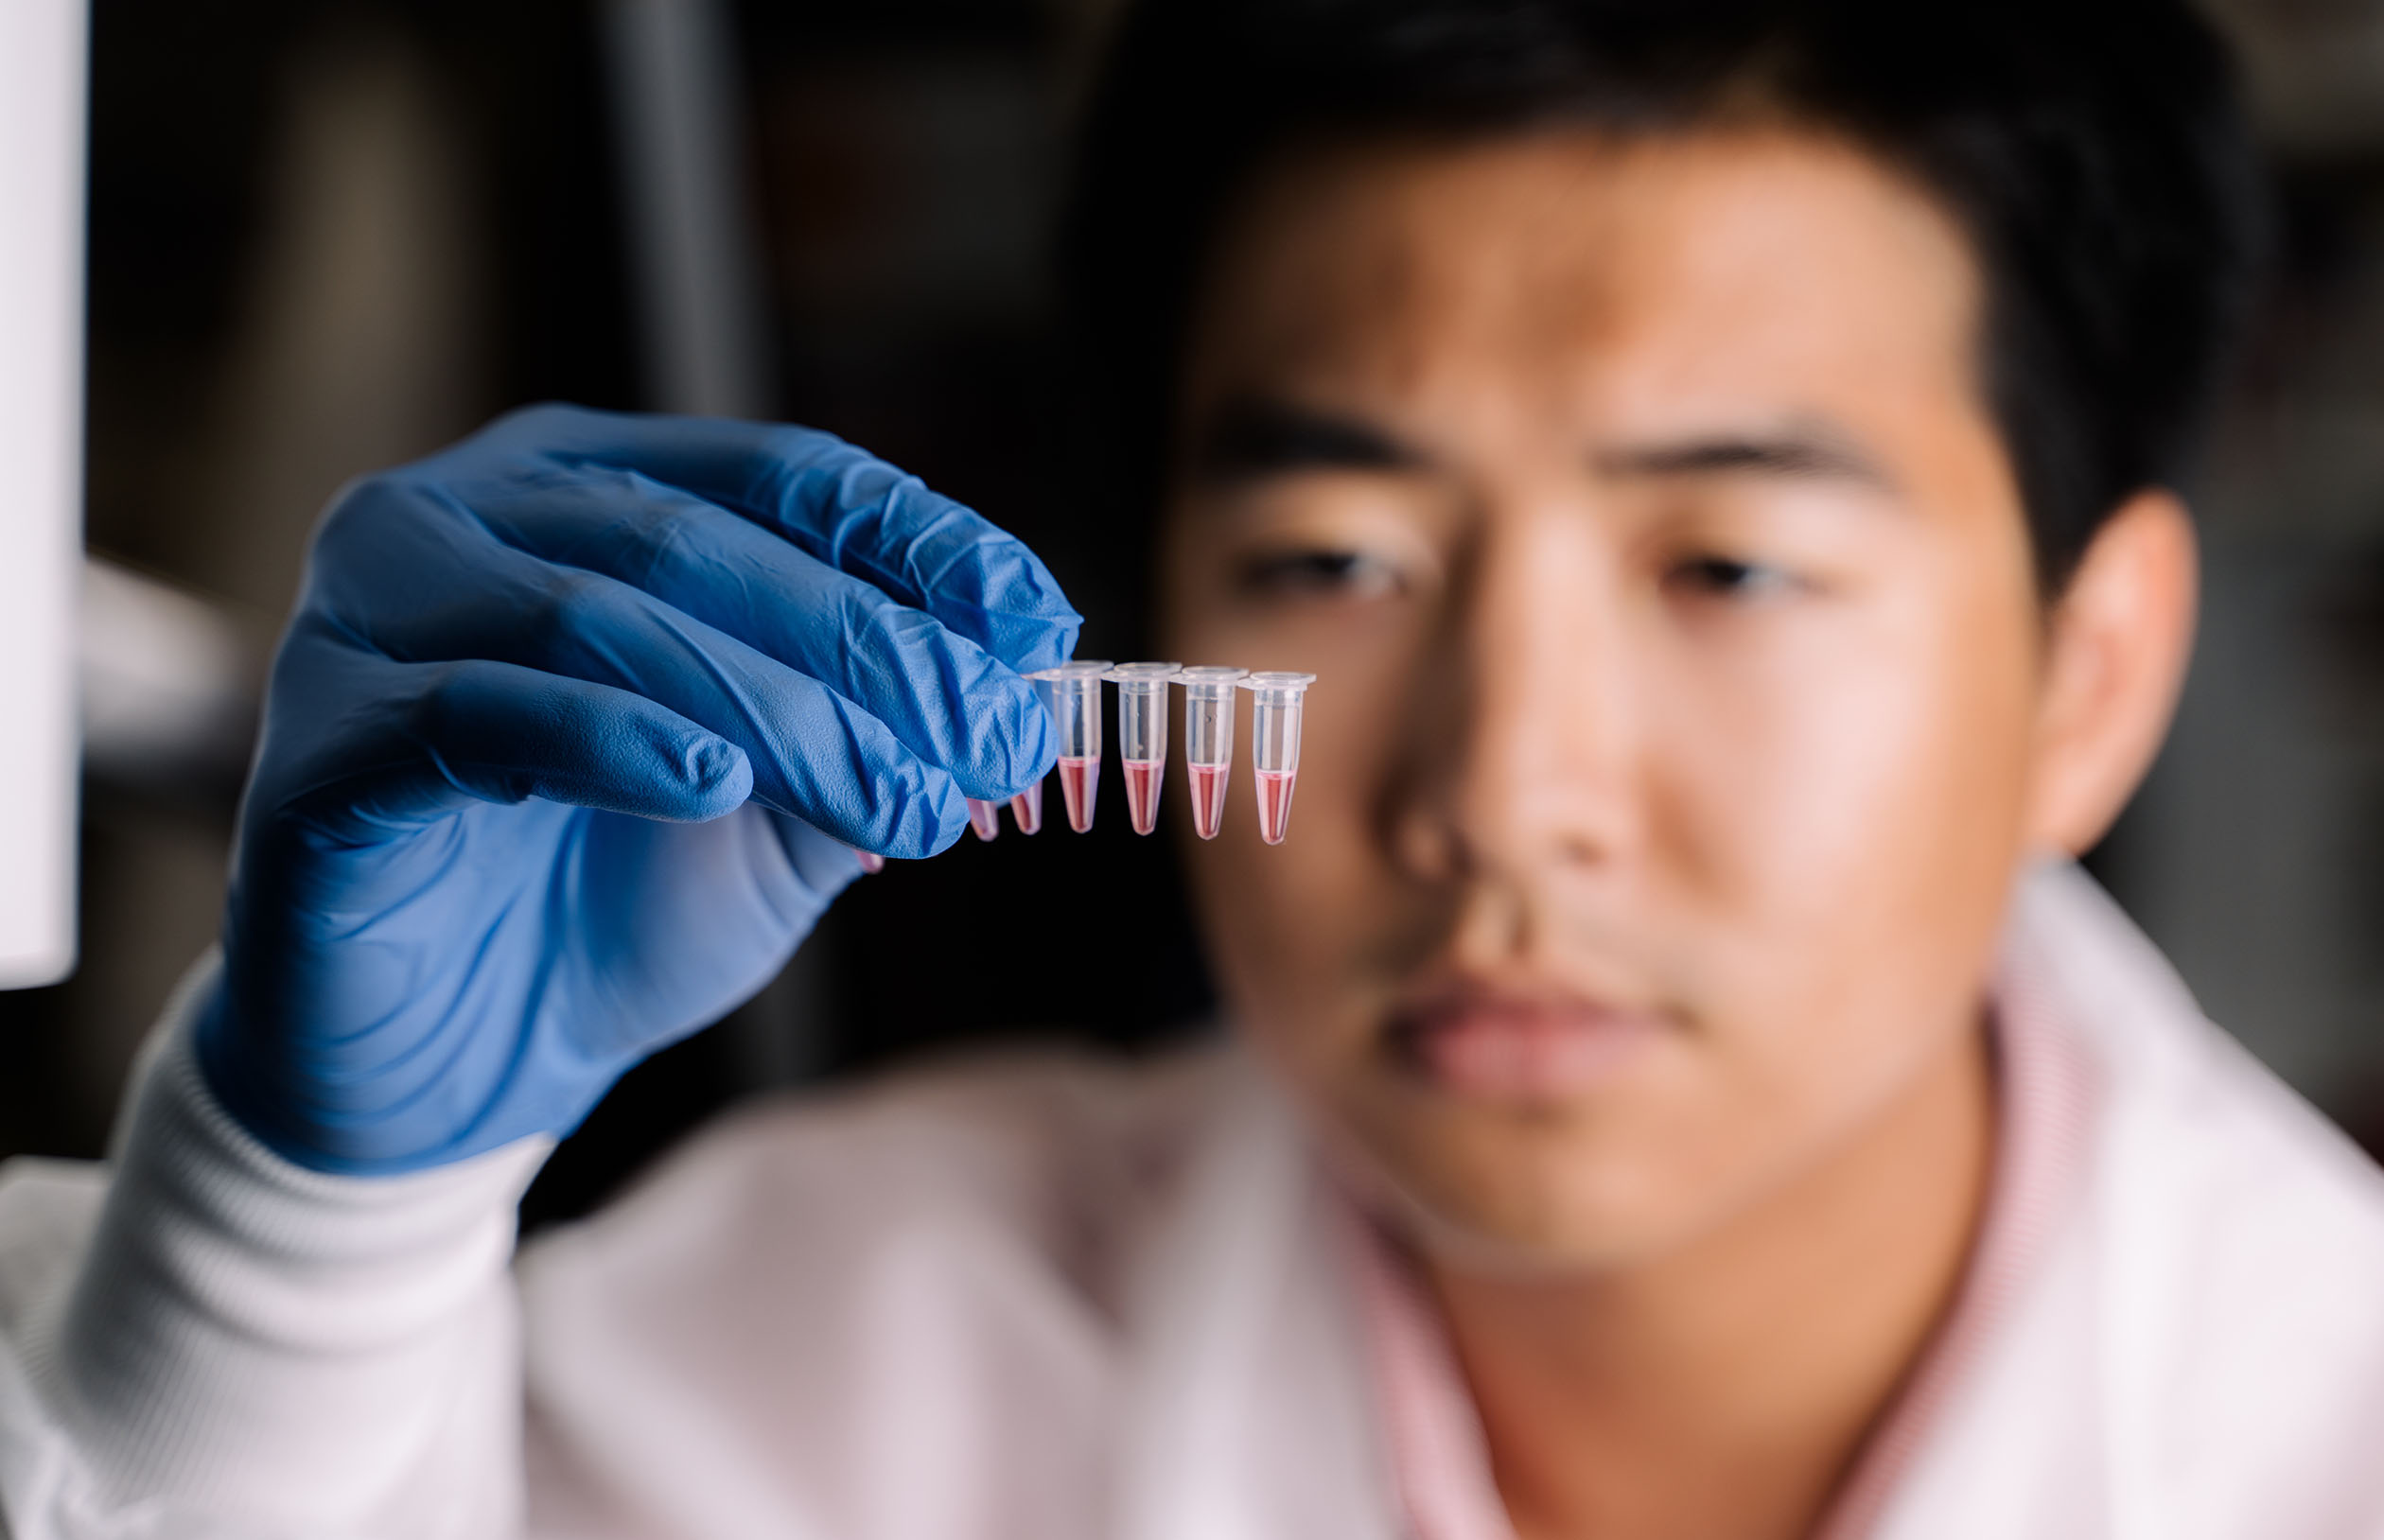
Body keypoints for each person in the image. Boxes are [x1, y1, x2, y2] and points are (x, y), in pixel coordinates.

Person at [5, 0, 2381, 1535]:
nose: (1501, 791)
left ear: (2093, 669)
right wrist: (300, 1240)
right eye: (1334, 555)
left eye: (1729, 569)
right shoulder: (832, 1359)